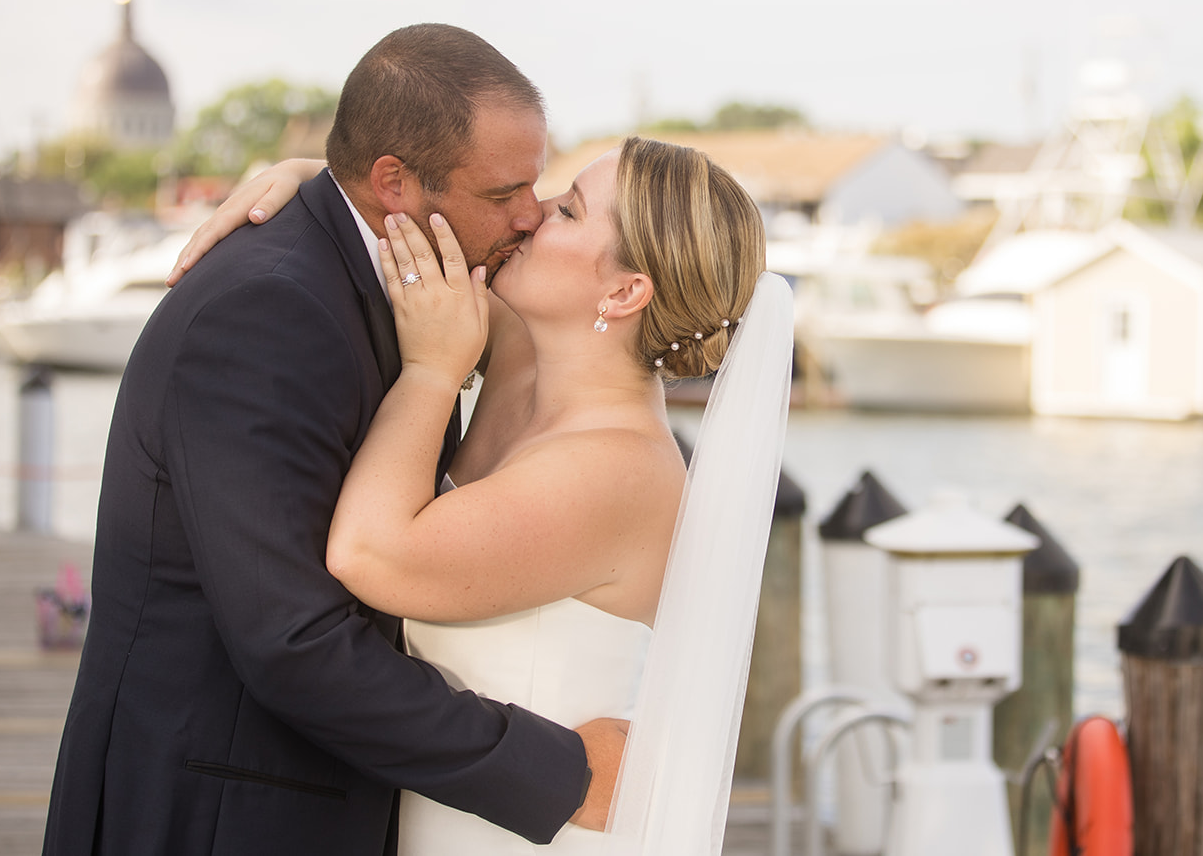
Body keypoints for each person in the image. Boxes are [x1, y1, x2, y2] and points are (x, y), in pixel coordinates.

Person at [44, 25, 626, 856]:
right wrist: (559, 772)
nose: (528, 214)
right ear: (393, 181)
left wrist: (311, 174)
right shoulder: (267, 312)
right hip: (216, 814)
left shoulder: (398, 265)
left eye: (540, 187)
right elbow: (292, 639)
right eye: (506, 191)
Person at [174, 131, 792, 853]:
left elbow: (371, 553)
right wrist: (315, 178)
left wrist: (432, 373)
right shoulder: (529, 352)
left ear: (625, 291)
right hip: (454, 807)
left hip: (531, 832)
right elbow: (415, 237)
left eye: (567, 211)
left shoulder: (617, 471)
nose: (530, 216)